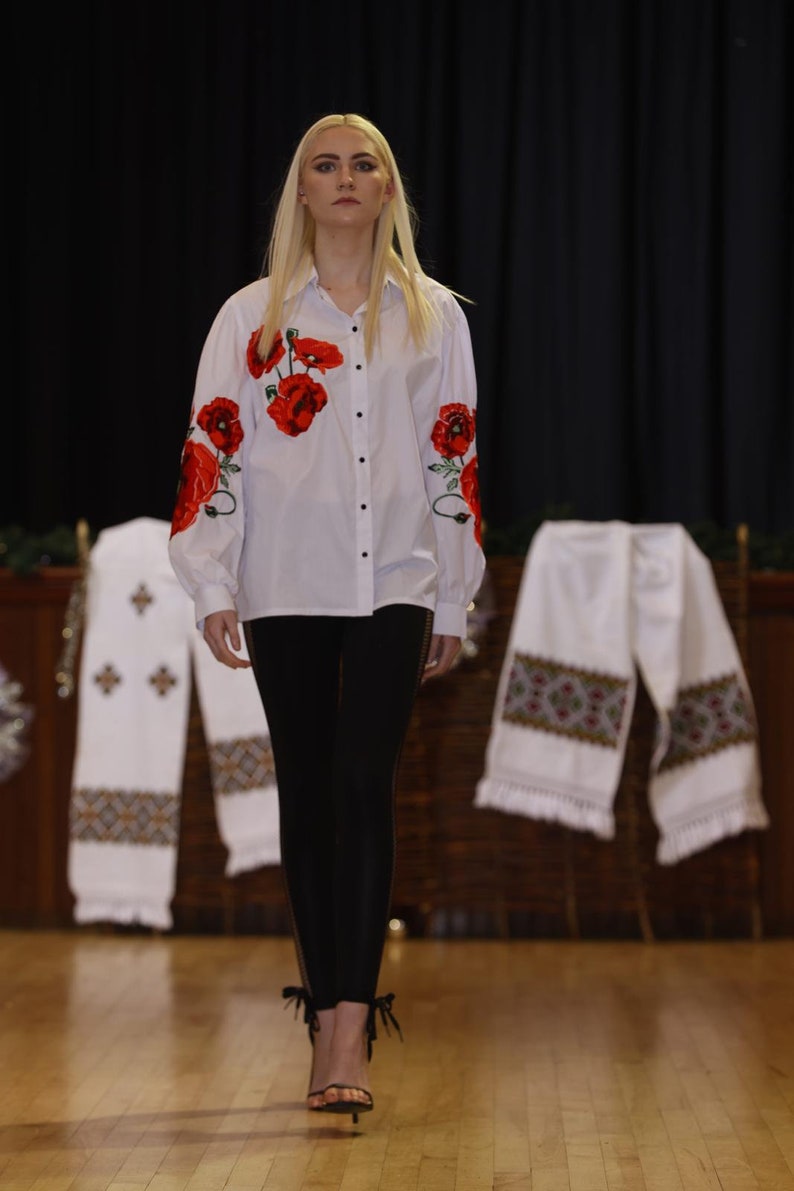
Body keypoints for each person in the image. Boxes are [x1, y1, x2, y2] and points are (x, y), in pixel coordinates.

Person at [168, 112, 485, 1122]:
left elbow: (454, 458)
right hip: (285, 577)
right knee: (306, 789)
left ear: (389, 190)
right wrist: (211, 583)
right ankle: (323, 1007)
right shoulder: (247, 320)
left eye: (364, 164)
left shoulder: (433, 317)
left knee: (362, 779)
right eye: (325, 165)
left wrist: (452, 590)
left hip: (393, 575)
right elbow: (209, 451)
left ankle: (350, 1018)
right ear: (299, 192)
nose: (345, 178)